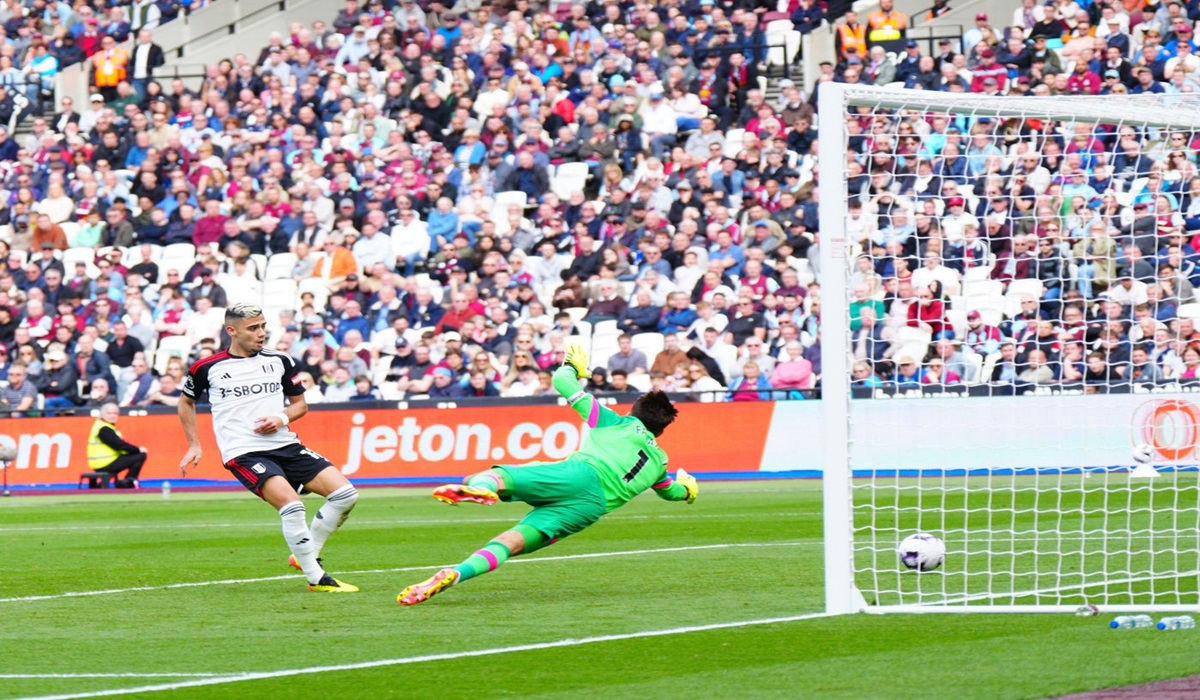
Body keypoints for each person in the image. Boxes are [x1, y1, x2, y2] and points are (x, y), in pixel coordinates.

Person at [397, 339, 698, 606]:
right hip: (588, 509)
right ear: (660, 430)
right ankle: (456, 573)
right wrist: (688, 489)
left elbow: (563, 382)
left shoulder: (616, 422)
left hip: (580, 474)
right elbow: (671, 492)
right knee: (509, 543)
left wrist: (573, 367)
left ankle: (484, 487)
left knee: (500, 475)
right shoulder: (659, 462)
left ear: (634, 412)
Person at [178, 303, 359, 593]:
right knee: (292, 506)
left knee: (345, 495)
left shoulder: (281, 361)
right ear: (231, 331)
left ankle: (304, 554)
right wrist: (194, 445)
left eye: (263, 326)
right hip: (244, 452)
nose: (261, 333)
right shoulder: (206, 368)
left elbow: (300, 404)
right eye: (253, 328)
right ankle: (317, 578)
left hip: (285, 444)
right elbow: (185, 402)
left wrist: (281, 417)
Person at [86, 402, 147, 488]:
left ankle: (127, 481)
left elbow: (119, 445)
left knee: (133, 455)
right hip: (105, 463)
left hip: (104, 461)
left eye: (115, 413)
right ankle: (128, 481)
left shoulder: (103, 425)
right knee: (140, 456)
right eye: (109, 413)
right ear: (102, 414)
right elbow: (119, 445)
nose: (113, 416)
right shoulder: (103, 428)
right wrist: (138, 449)